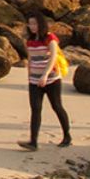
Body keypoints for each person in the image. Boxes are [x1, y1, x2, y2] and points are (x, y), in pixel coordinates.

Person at [21, 14, 72, 150]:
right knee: (35, 109)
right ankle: (33, 142)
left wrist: (45, 75)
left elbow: (53, 58)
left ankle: (67, 136)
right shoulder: (30, 41)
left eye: (35, 24)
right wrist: (30, 75)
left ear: (41, 24)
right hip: (34, 80)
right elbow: (30, 59)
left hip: (51, 79)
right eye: (30, 24)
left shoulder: (50, 38)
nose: (32, 27)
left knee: (57, 106)